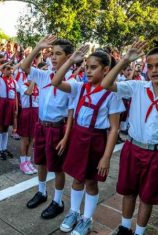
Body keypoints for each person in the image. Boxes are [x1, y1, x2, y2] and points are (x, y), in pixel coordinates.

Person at [51, 46, 125, 234]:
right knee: (76, 178)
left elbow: (114, 127)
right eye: (86, 67)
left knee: (91, 182)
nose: (88, 71)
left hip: (96, 141)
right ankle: (74, 212)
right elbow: (56, 81)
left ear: (106, 70)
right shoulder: (79, 87)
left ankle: (86, 218)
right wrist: (70, 61)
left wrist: (106, 157)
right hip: (78, 137)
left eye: (93, 67)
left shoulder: (112, 94)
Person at [101, 41, 157, 235]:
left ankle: (140, 232)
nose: (154, 70)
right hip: (133, 148)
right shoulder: (138, 87)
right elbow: (106, 83)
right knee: (129, 191)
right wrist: (124, 60)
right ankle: (125, 228)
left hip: (155, 154)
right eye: (150, 66)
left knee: (148, 197)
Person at [21, 36, 75, 220]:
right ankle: (42, 192)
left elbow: (71, 112)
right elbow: (24, 67)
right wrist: (37, 48)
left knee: (58, 168)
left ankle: (58, 201)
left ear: (69, 57)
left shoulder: (72, 81)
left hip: (57, 128)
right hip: (41, 126)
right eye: (52, 53)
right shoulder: (45, 74)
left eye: (58, 54)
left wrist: (66, 137)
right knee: (41, 162)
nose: (53, 57)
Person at [0, 63, 18, 160]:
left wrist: (16, 109)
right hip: (3, 104)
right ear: (3, 70)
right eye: (7, 69)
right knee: (1, 127)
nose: (10, 71)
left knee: (6, 128)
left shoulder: (14, 82)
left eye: (11, 69)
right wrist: (4, 64)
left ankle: (4, 148)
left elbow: (15, 95)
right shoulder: (1, 80)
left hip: (11, 105)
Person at [17, 80, 38, 175]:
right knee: (24, 140)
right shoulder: (23, 85)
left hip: (35, 113)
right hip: (26, 113)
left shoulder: (38, 87)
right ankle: (22, 163)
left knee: (32, 140)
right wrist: (33, 82)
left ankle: (28, 162)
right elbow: (29, 92)